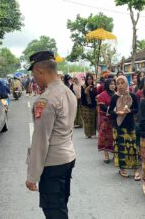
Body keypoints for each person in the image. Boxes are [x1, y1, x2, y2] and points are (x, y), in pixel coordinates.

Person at [25, 51, 77, 219]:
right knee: (61, 205)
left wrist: (32, 176)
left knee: (54, 210)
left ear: (40, 71)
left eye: (34, 74)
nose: (34, 79)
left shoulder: (46, 100)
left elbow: (41, 141)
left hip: (52, 164)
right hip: (67, 157)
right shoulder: (68, 92)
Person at [108, 76, 140, 180]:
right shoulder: (114, 97)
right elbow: (110, 111)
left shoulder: (132, 96)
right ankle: (122, 169)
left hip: (130, 124)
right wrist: (117, 112)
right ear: (116, 85)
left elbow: (137, 109)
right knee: (121, 147)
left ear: (127, 83)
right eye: (118, 83)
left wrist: (129, 111)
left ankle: (135, 169)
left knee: (133, 147)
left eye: (123, 83)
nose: (120, 85)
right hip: (118, 125)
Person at [97, 79, 115, 163]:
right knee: (105, 137)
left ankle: (115, 155)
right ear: (107, 85)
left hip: (114, 118)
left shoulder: (116, 94)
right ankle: (106, 156)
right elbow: (102, 106)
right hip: (105, 119)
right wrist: (112, 110)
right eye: (111, 84)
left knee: (114, 136)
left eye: (114, 84)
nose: (113, 85)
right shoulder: (102, 95)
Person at [81, 73, 97, 138]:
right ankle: (87, 134)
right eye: (88, 79)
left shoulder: (94, 87)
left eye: (90, 79)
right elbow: (83, 95)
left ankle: (92, 133)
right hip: (85, 106)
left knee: (92, 120)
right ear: (86, 80)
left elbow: (95, 95)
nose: (89, 80)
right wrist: (87, 89)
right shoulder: (83, 86)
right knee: (87, 120)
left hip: (93, 105)